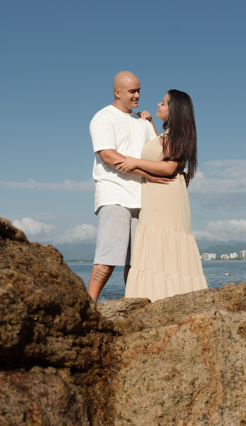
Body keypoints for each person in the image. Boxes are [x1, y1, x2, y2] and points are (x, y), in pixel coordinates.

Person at [114, 89, 208, 301]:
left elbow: (167, 167)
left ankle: (161, 297)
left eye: (164, 103)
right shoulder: (172, 134)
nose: (158, 104)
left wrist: (134, 162)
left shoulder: (177, 134)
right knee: (160, 245)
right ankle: (162, 296)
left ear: (174, 111)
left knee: (163, 241)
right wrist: (150, 125)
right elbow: (163, 152)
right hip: (160, 194)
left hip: (165, 195)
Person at [88, 71, 168, 302]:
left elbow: (158, 152)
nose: (137, 95)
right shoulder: (103, 117)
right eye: (132, 91)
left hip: (141, 196)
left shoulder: (141, 122)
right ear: (117, 92)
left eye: (139, 90)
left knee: (136, 260)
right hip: (114, 193)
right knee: (108, 254)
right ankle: (88, 304)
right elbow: (109, 157)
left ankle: (133, 302)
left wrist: (151, 123)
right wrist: (147, 175)